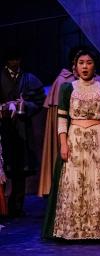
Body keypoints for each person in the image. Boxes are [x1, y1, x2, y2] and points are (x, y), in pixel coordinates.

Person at [42, 49, 100, 240]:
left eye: (89, 62)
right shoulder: (68, 88)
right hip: (75, 139)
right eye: (81, 62)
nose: (85, 66)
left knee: (99, 183)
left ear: (94, 65)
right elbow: (62, 119)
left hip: (98, 140)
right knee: (75, 183)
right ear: (75, 66)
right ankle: (74, 228)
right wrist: (63, 144)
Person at [0, 48, 45, 217]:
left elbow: (39, 99)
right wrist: (4, 107)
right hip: (4, 127)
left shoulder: (28, 78)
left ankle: (17, 205)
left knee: (20, 166)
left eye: (17, 59)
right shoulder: (1, 78)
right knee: (4, 166)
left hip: (21, 126)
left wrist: (26, 105)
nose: (15, 63)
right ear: (6, 61)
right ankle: (3, 205)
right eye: (11, 60)